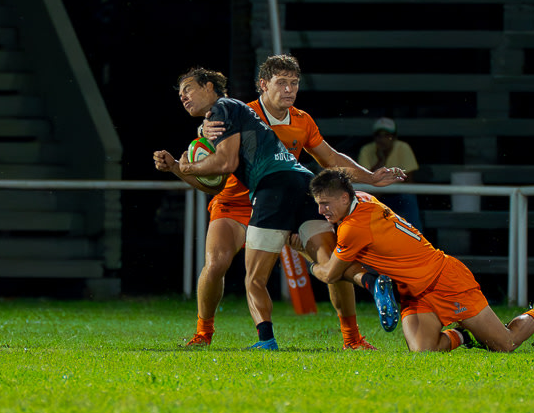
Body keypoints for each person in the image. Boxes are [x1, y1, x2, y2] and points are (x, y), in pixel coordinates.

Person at [153, 64, 406, 350]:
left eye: (294, 83)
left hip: (272, 195)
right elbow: (216, 183)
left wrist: (370, 176)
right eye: (282, 82)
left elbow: (330, 157)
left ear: (209, 88)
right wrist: (182, 163)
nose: (289, 89)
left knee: (260, 277)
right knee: (220, 264)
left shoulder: (292, 119)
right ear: (263, 85)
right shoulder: (240, 110)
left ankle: (343, 338)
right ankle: (203, 333)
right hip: (242, 201)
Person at [290, 168, 534, 354]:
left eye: (326, 203)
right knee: (424, 351)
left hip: (445, 280)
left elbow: (329, 275)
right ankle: (466, 337)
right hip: (414, 291)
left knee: (505, 345)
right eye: (318, 202)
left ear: (343, 198)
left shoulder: (354, 228)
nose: (321, 209)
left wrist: (305, 252)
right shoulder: (362, 198)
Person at [357, 117, 422, 230]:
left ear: (394, 137)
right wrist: (380, 161)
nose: (383, 139)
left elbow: (409, 182)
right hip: (375, 195)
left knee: (409, 199)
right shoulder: (367, 150)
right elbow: (365, 181)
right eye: (379, 135)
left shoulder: (403, 148)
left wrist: (383, 183)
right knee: (361, 200)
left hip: (398, 195)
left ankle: (417, 236)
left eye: (387, 135)